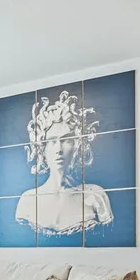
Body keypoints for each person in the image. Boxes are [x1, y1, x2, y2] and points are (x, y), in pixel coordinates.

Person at [14, 90, 112, 235]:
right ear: (42, 148)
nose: (58, 149)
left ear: (77, 145)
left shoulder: (96, 195)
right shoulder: (28, 200)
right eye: (52, 141)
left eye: (66, 140)